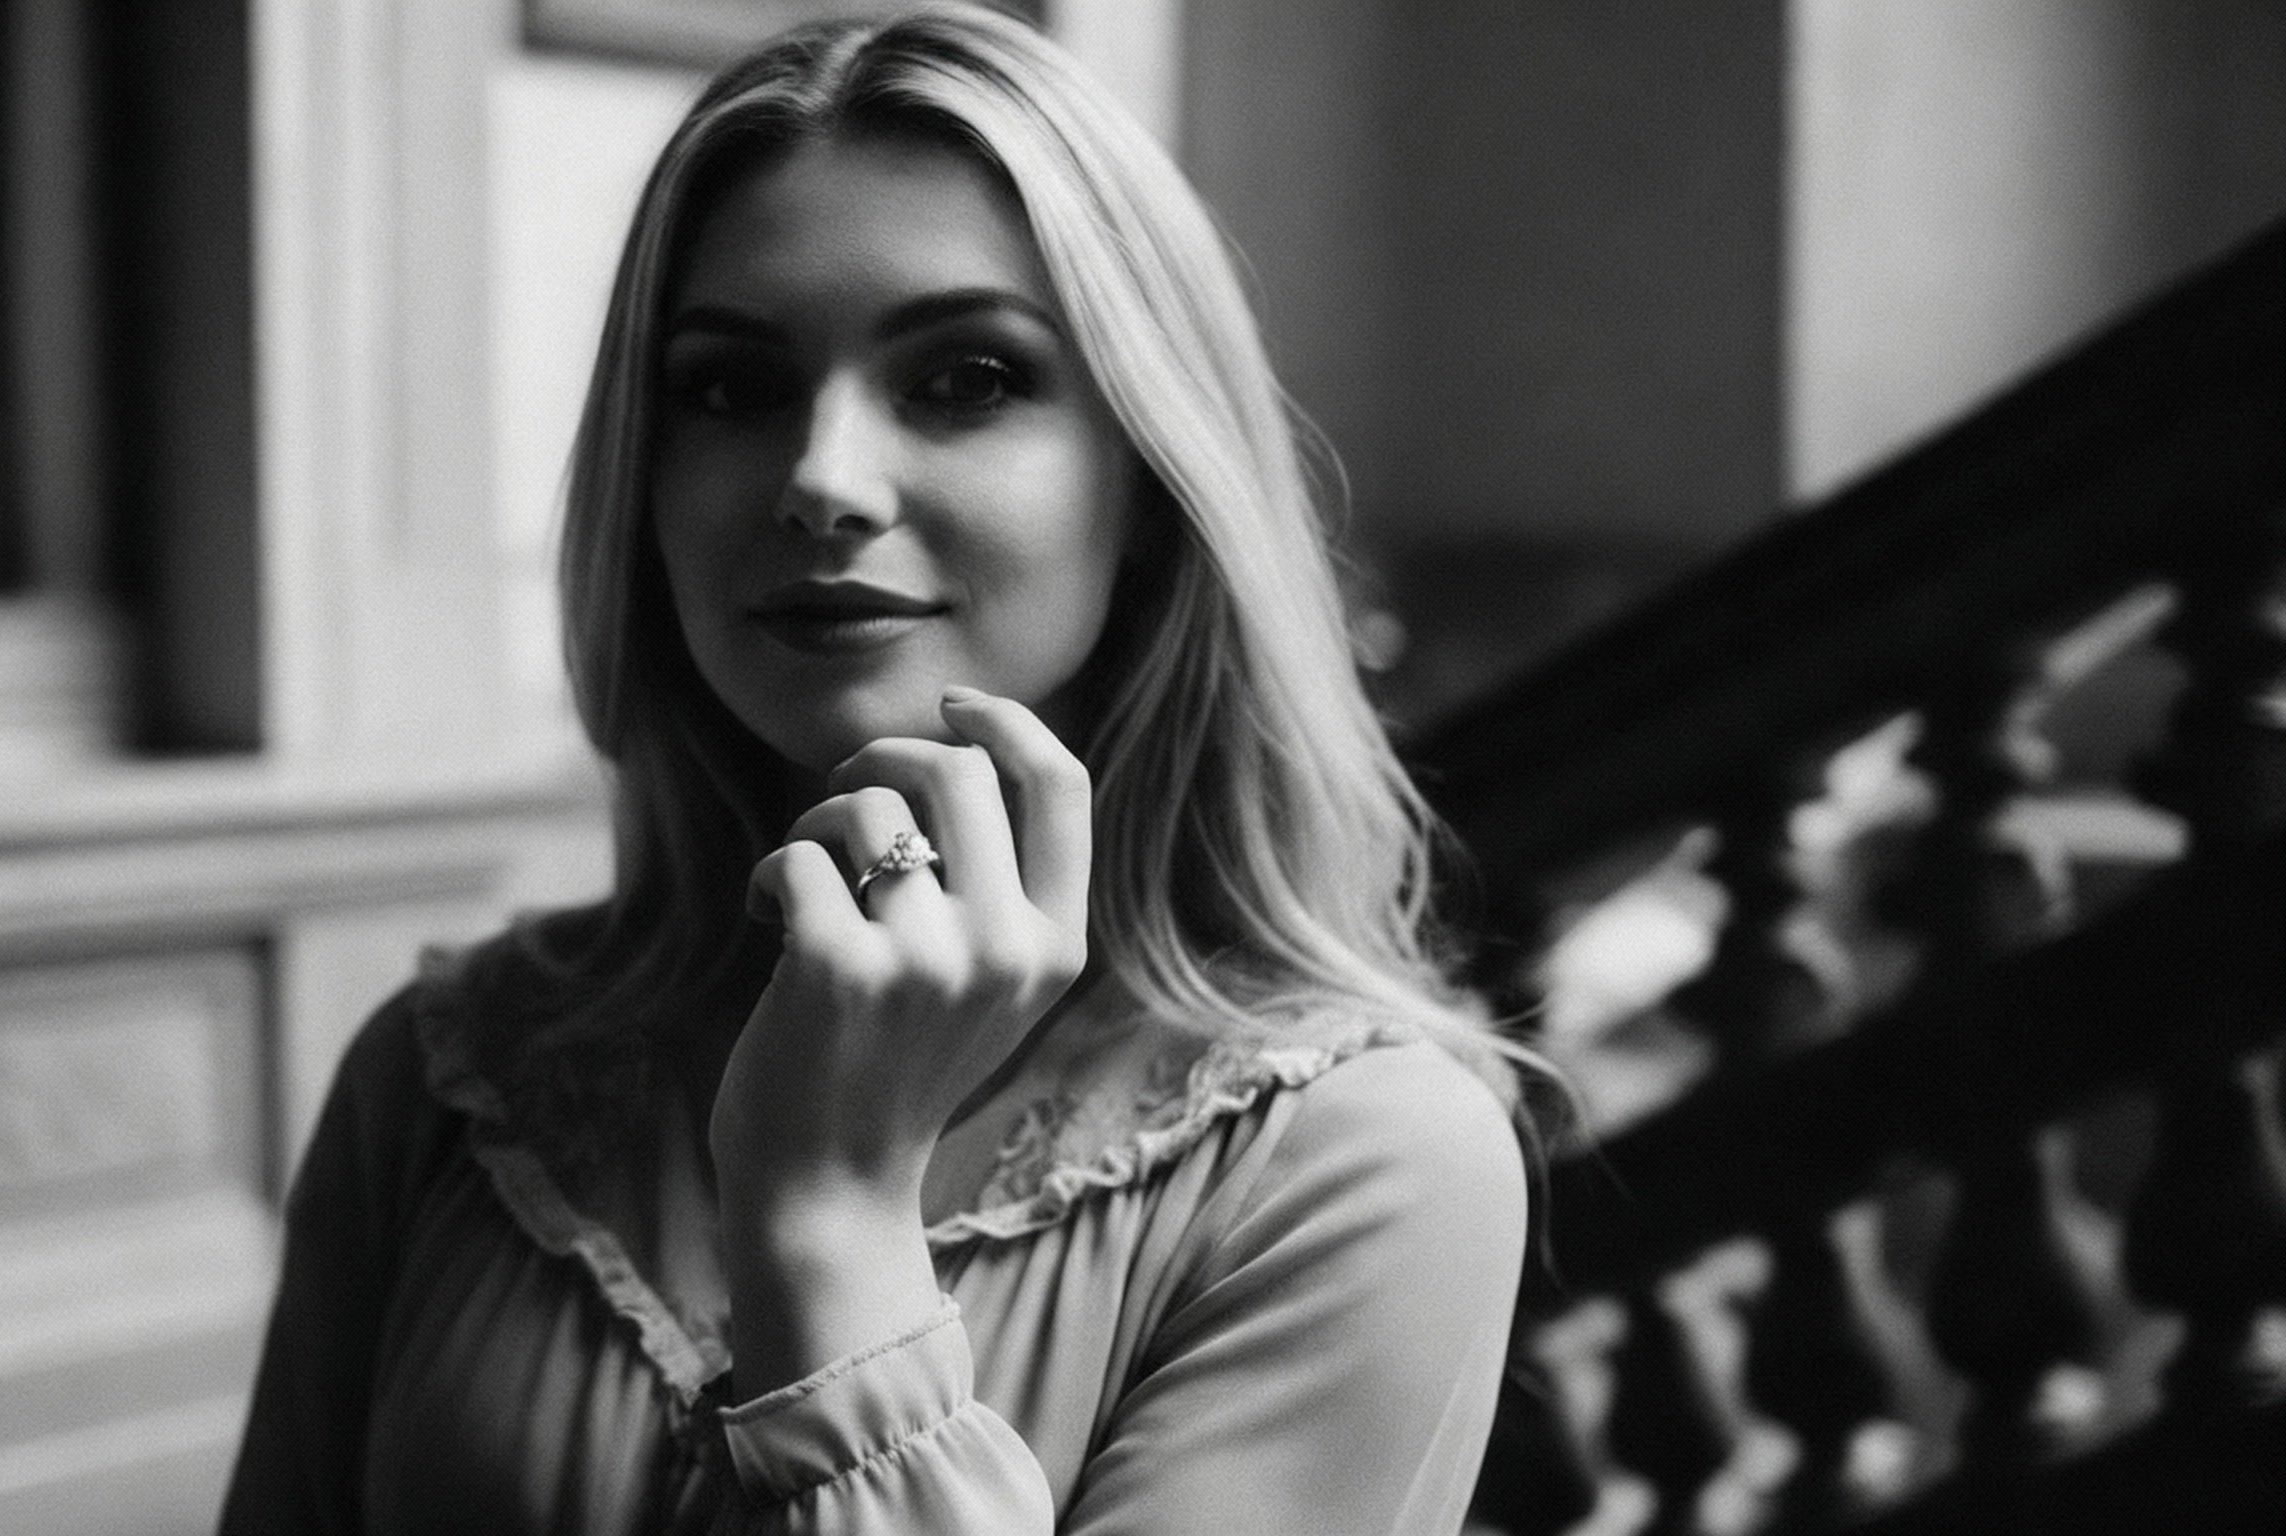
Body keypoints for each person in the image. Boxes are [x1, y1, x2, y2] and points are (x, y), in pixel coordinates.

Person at [220, 5, 1530, 1531]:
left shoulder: (1365, 1161)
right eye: (728, 387)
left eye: (965, 378)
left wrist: (828, 1213)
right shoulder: (444, 1082)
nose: (823, 480)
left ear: (1153, 478)